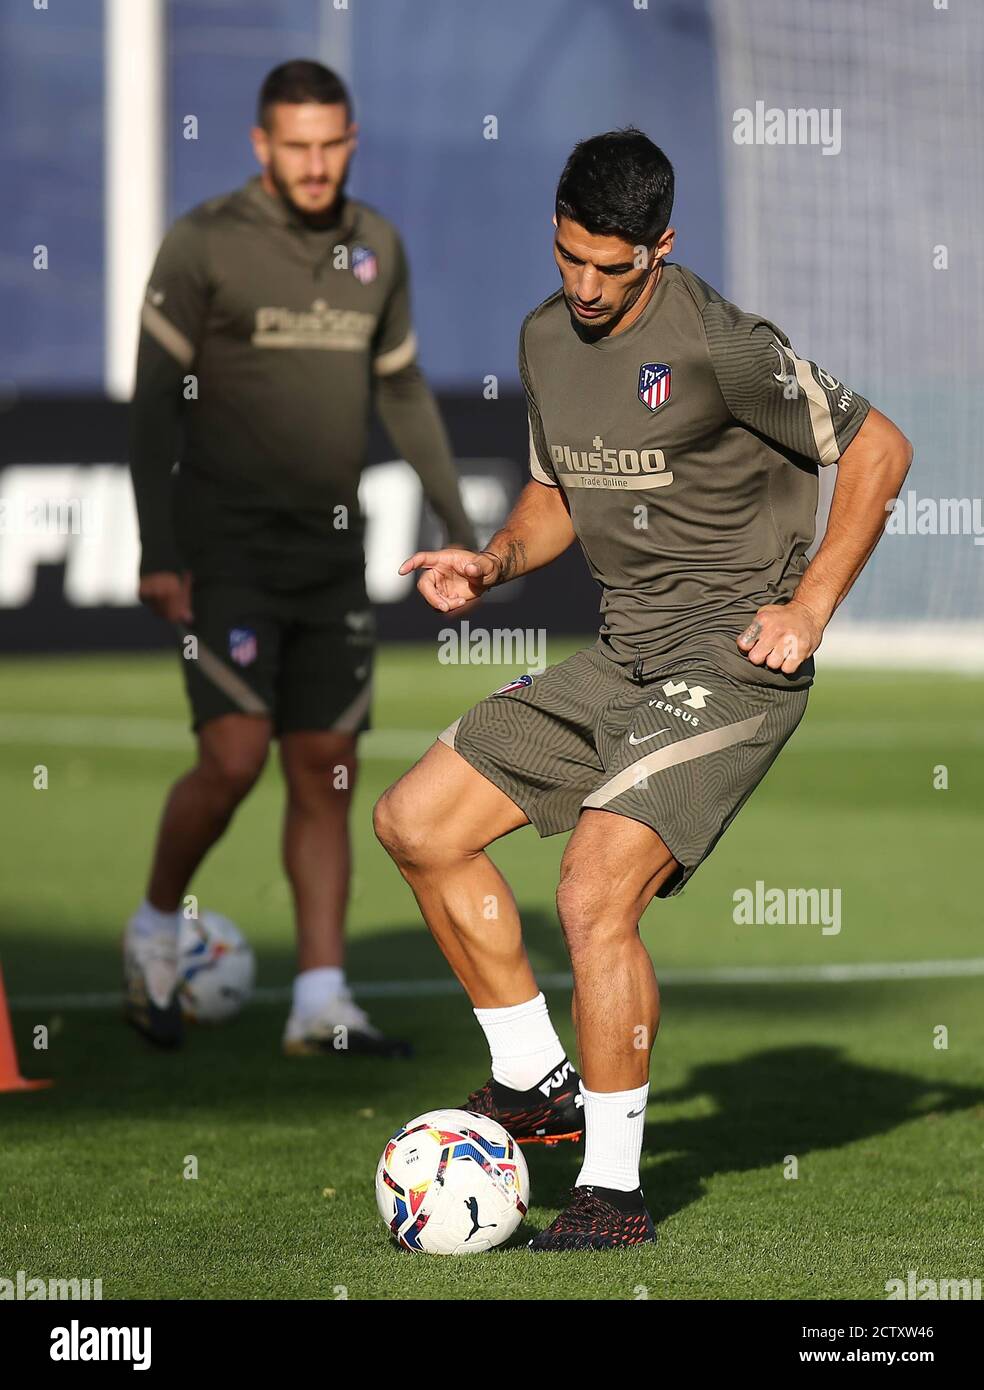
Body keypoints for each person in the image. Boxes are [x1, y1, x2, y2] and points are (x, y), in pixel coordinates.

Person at [373, 129, 912, 1249]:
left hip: (731, 666)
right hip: (622, 656)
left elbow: (880, 452)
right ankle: (532, 1081)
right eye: (569, 256)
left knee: (589, 892)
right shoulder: (543, 336)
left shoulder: (722, 343)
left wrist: (809, 606)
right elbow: (554, 495)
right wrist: (492, 560)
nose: (584, 286)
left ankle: (613, 1194)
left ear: (659, 248)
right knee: (416, 821)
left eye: (610, 268)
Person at [124, 60, 475, 1055]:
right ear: (261, 146)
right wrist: (159, 548)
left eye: (332, 145)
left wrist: (457, 520)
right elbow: (154, 406)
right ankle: (155, 926)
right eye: (296, 145)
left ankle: (320, 1001)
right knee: (233, 758)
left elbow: (402, 393)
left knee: (326, 769)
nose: (315, 165)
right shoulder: (203, 245)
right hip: (225, 548)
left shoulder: (379, 247)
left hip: (332, 558)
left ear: (352, 142)